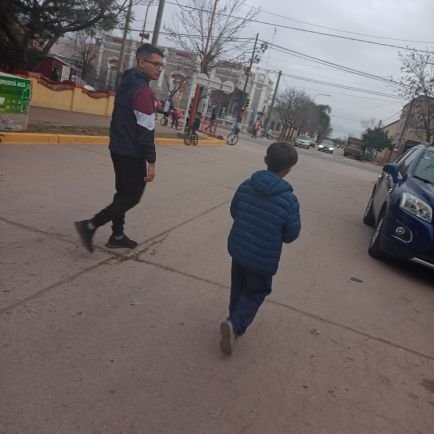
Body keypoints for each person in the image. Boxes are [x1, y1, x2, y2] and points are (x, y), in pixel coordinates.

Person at [74, 43, 164, 252]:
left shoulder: (127, 83)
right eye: (156, 64)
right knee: (131, 197)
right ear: (142, 62)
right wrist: (151, 161)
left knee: (122, 193)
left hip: (118, 147)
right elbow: (145, 131)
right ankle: (90, 225)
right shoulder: (143, 92)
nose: (159, 69)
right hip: (132, 152)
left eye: (162, 65)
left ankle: (117, 234)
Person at [220, 142, 301, 355]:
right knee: (256, 291)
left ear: (265, 160)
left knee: (239, 286)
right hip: (263, 259)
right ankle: (234, 324)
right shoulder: (289, 200)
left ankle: (233, 321)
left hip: (238, 249)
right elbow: (291, 234)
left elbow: (234, 211)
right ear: (289, 169)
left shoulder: (247, 185)